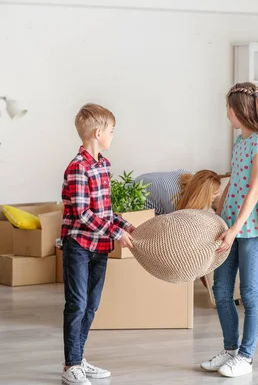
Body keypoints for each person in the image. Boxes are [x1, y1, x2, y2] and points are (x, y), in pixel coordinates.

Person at [200, 82, 258, 378]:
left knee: (249, 293)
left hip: (252, 228)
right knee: (221, 290)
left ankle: (246, 357)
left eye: (229, 108)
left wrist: (234, 228)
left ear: (242, 111)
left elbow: (254, 190)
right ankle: (230, 350)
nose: (226, 113)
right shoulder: (240, 141)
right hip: (231, 226)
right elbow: (234, 183)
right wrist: (217, 216)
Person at [58, 103, 135, 385]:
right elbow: (82, 213)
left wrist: (125, 226)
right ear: (97, 132)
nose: (114, 136)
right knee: (77, 304)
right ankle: (71, 365)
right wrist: (115, 233)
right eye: (112, 131)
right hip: (79, 245)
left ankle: (79, 357)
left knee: (91, 305)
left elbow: (104, 211)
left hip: (100, 246)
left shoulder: (103, 165)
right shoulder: (77, 168)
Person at [133, 169, 225, 214]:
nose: (219, 194)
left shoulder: (191, 175)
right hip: (131, 201)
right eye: (215, 193)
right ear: (203, 194)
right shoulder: (174, 200)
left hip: (142, 182)